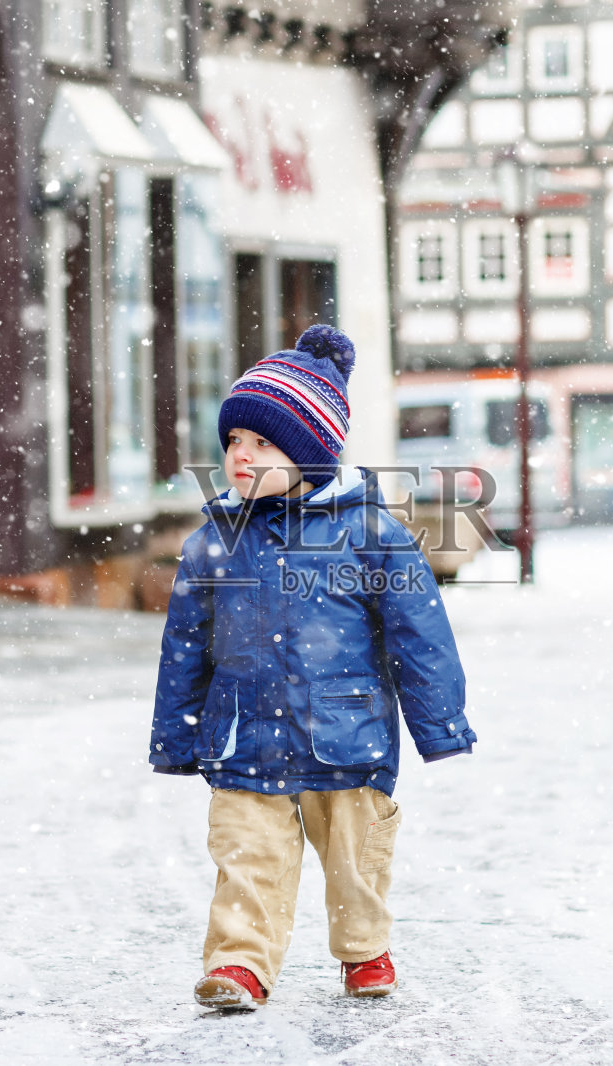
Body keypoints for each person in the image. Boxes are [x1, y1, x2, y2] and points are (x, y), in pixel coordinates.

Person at [150, 324, 478, 1010]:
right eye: (234, 441)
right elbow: (184, 646)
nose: (239, 455)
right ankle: (240, 963)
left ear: (310, 454)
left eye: (261, 443)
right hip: (245, 735)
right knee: (246, 856)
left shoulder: (370, 534)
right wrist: (176, 734)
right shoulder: (214, 545)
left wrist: (439, 722)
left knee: (355, 859)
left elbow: (420, 634)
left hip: (348, 733)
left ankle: (363, 948)